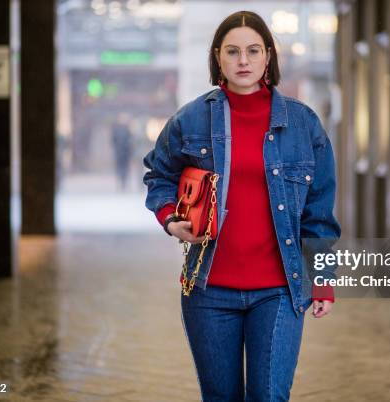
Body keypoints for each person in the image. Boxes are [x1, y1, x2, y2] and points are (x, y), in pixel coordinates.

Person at [142, 11, 341, 401]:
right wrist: (170, 219)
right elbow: (158, 175)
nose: (243, 61)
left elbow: (319, 210)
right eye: (233, 52)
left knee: (269, 395)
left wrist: (322, 278)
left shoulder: (303, 124)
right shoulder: (192, 118)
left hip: (279, 289)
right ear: (218, 57)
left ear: (268, 56)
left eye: (253, 51)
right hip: (208, 289)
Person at [111, 113, 133, 190]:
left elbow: (130, 140)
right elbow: (113, 140)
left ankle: (124, 182)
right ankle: (120, 182)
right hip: (120, 152)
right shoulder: (116, 129)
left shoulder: (127, 129)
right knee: (120, 167)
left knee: (125, 167)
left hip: (125, 152)